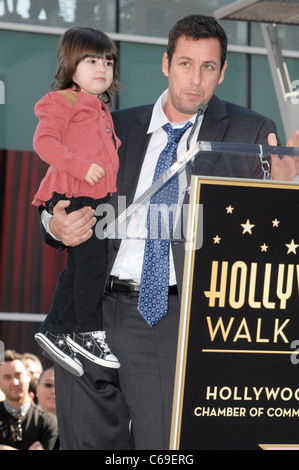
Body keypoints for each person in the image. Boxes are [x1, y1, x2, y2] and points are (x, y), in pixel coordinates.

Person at [39, 15, 299, 450]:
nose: (195, 79)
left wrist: (288, 196)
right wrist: (54, 223)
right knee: (83, 443)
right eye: (184, 64)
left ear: (223, 71)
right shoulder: (112, 124)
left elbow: (268, 238)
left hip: (170, 320)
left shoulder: (249, 132)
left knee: (164, 450)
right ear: (165, 64)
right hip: (89, 313)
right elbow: (56, 195)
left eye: (208, 67)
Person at [32, 27, 121, 377]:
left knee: (81, 267)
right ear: (70, 64)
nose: (102, 68)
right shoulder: (62, 100)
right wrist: (81, 167)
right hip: (72, 192)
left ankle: (57, 329)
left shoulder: (99, 107)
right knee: (93, 266)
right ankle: (87, 331)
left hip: (94, 197)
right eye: (92, 60)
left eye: (108, 62)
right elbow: (44, 142)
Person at [0, 350, 57, 450]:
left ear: (29, 376)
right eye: (7, 377)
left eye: (18, 375)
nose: (15, 382)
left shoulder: (47, 421)